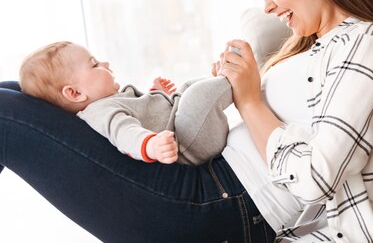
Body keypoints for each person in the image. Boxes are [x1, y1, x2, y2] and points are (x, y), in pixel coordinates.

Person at [0, 0, 373, 243]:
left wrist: (249, 99)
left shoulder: (363, 43)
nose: (268, 7)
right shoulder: (312, 45)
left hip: (215, 213)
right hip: (206, 191)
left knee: (5, 111)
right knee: (14, 90)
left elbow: (316, 177)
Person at [19, 41, 232, 165]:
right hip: (186, 147)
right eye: (94, 65)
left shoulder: (107, 101)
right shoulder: (99, 113)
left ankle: (224, 79)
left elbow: (140, 113)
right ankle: (234, 80)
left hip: (180, 125)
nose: (105, 63)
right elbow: (125, 133)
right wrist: (150, 146)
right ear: (75, 93)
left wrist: (155, 94)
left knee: (188, 88)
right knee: (197, 96)